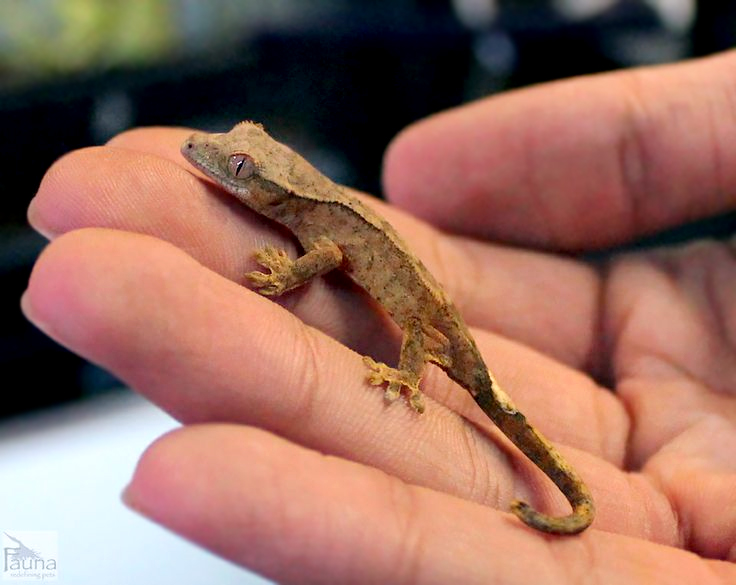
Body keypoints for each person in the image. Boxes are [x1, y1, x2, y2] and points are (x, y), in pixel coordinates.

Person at [23, 49, 736, 583]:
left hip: (428, 325)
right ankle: (568, 491)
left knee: (484, 398)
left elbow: (329, 255)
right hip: (425, 303)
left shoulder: (312, 220)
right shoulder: (303, 204)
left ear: (272, 186)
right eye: (234, 158)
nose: (215, 164)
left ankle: (572, 496)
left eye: (238, 169)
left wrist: (393, 363)